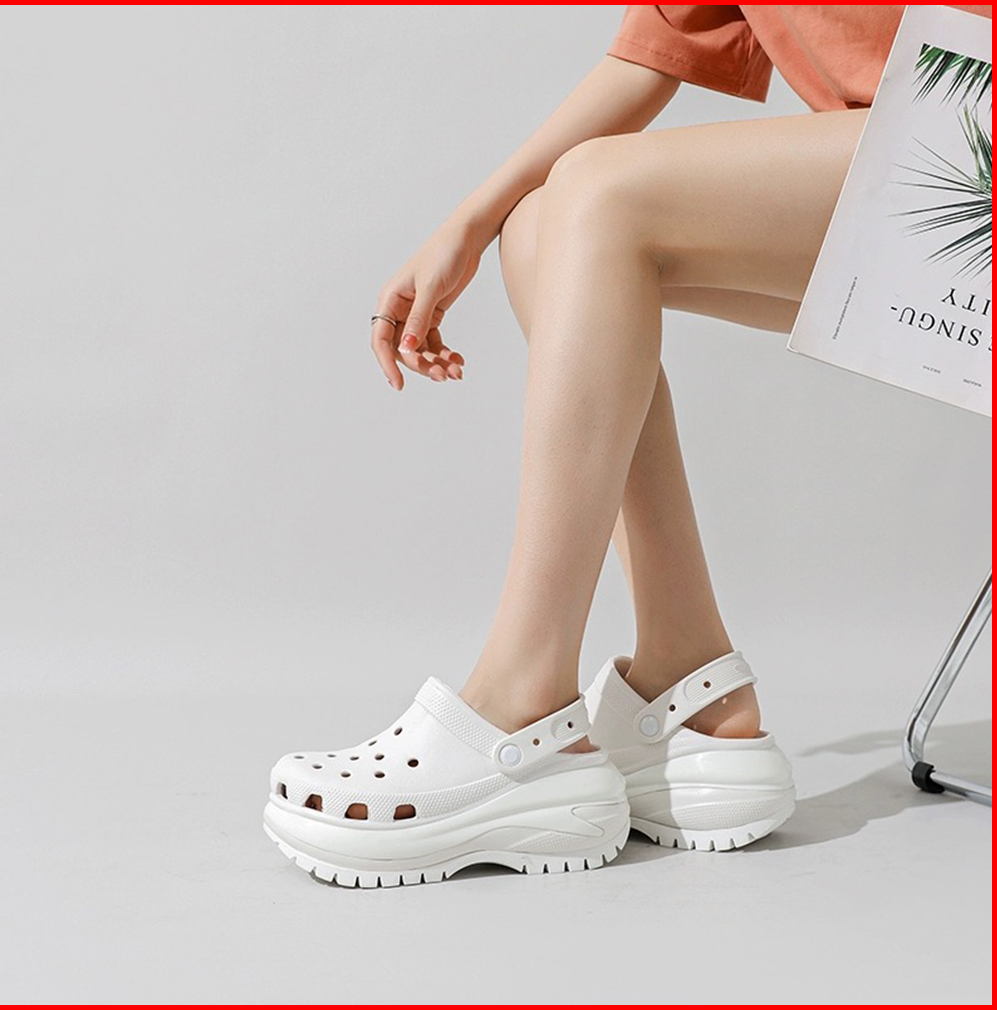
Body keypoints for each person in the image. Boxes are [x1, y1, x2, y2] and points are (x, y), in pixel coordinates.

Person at [263, 4, 992, 887]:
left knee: (599, 194)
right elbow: (662, 45)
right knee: (543, 228)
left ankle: (520, 699)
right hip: (938, 164)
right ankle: (690, 678)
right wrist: (471, 221)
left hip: (966, 139)